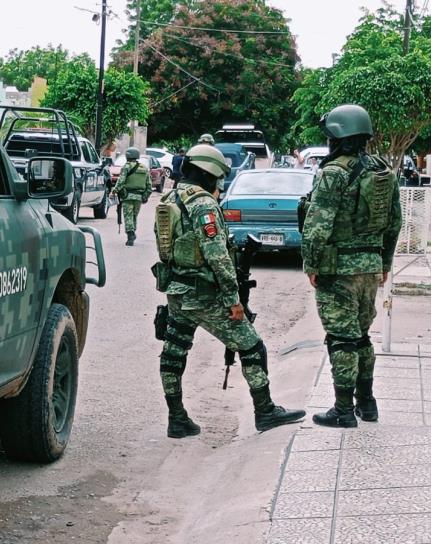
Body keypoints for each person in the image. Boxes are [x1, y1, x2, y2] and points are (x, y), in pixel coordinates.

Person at [152, 144, 306, 437]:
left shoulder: (171, 198)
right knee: (252, 347)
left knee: (173, 351)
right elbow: (217, 257)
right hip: (205, 294)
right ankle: (265, 411)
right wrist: (233, 300)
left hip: (177, 289)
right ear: (211, 174)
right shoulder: (204, 205)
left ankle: (177, 418)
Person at [301, 104, 403, 428]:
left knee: (341, 338)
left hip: (338, 269)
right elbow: (395, 222)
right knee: (361, 336)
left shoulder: (334, 173)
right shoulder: (382, 170)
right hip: (370, 267)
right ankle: (367, 404)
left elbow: (317, 223)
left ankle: (343, 410)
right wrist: (384, 262)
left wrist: (311, 263)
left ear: (337, 136)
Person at [113, 147, 150, 246]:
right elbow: (149, 185)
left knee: (128, 216)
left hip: (127, 196)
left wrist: (114, 191)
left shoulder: (126, 167)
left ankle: (130, 235)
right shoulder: (144, 168)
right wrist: (145, 196)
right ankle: (132, 232)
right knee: (134, 216)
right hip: (139, 197)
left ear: (128, 155)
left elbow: (121, 181)